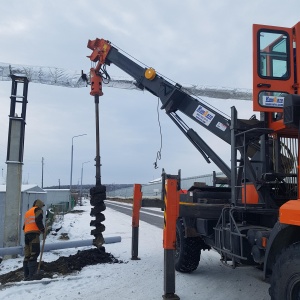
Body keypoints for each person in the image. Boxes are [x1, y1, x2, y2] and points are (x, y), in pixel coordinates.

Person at [23, 199, 45, 280]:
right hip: (33, 233)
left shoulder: (28, 212)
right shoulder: (38, 210)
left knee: (27, 255)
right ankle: (32, 275)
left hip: (26, 234)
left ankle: (26, 275)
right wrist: (43, 230)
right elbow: (38, 220)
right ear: (39, 205)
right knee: (34, 253)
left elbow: (24, 225)